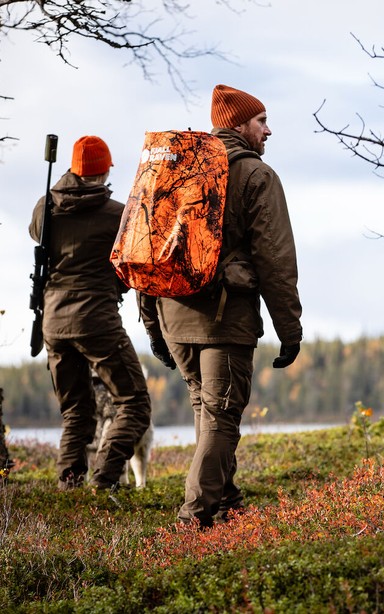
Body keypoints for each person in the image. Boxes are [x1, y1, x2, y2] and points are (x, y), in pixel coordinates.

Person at [141, 84, 303, 528]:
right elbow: (276, 260)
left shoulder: (175, 168)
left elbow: (145, 246)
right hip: (223, 318)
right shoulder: (255, 175)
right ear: (238, 125)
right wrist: (290, 330)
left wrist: (152, 325)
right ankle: (192, 520)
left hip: (172, 313)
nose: (268, 131)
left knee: (207, 409)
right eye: (261, 122)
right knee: (221, 415)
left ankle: (227, 502)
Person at [29, 136, 152, 491]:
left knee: (76, 411)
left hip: (53, 321)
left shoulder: (44, 208)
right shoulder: (117, 214)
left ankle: (70, 485)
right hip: (96, 320)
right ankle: (104, 478)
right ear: (104, 171)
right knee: (135, 402)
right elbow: (131, 262)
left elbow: (36, 233)